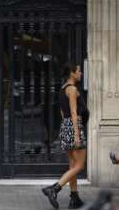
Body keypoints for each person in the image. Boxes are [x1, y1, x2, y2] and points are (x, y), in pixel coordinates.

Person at [42, 63, 87, 209]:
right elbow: (74, 112)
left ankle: (74, 198)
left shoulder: (62, 89)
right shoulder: (72, 89)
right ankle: (55, 188)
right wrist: (76, 134)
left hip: (65, 125)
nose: (81, 73)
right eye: (79, 71)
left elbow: (63, 112)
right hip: (74, 126)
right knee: (79, 165)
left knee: (72, 165)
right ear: (72, 73)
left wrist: (67, 128)